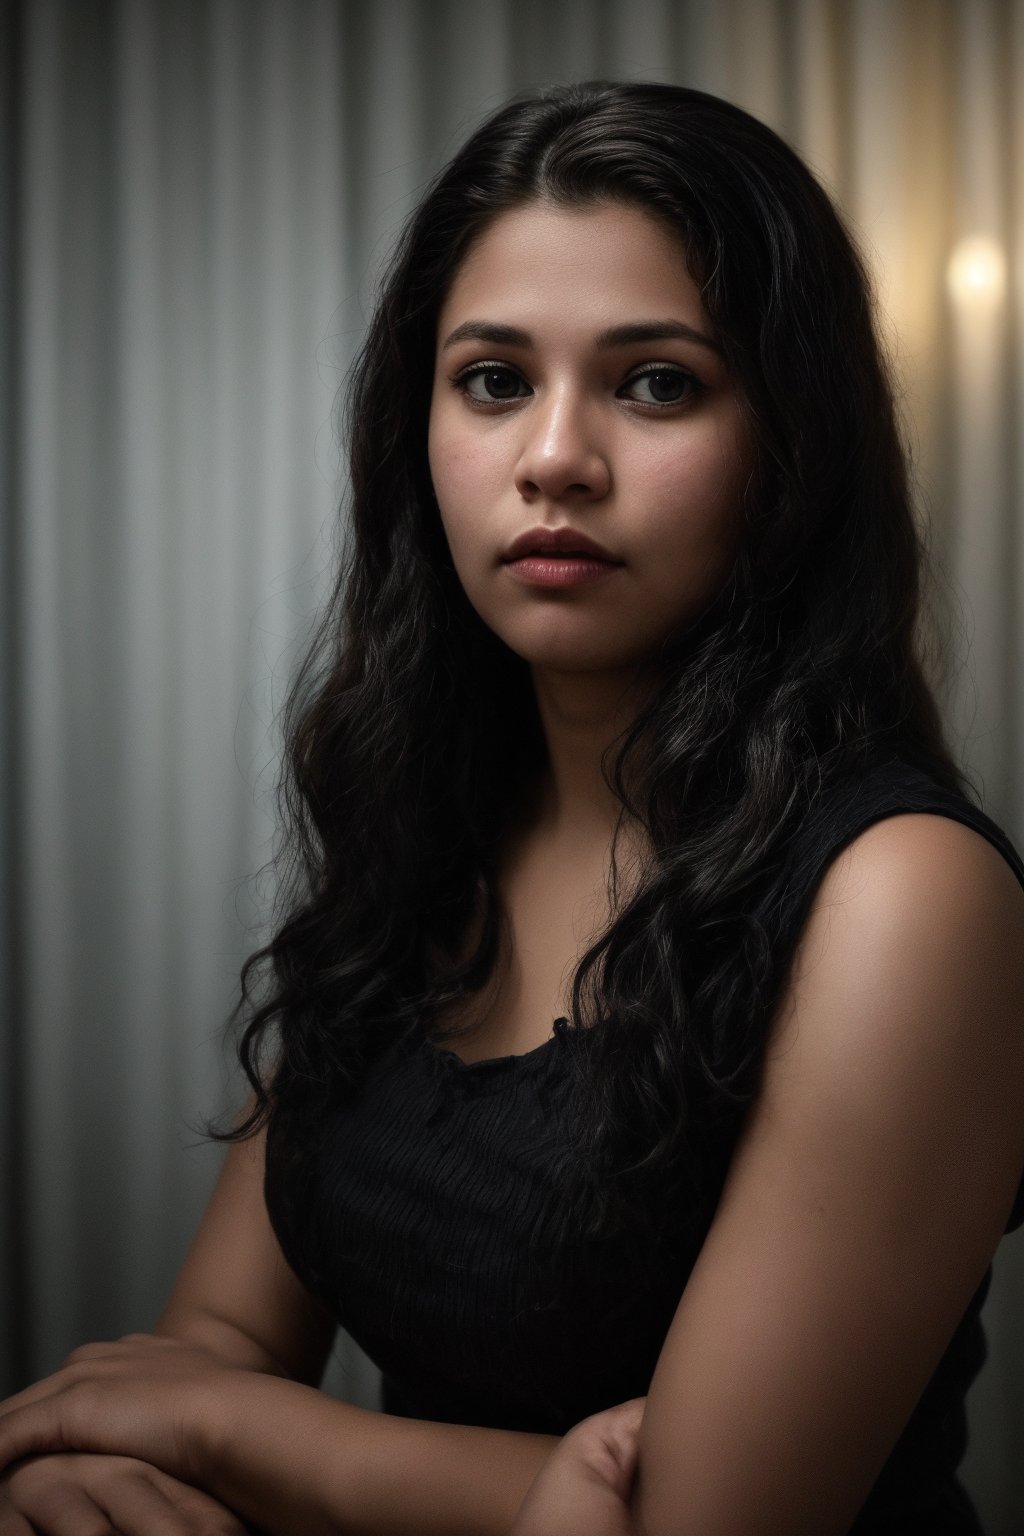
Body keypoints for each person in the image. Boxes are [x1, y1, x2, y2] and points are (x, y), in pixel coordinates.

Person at [1, 78, 1023, 1536]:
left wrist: (222, 1430)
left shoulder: (903, 894)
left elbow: (708, 1522)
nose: (555, 458)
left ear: (790, 446)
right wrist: (97, 1460)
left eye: (656, 381)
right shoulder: (420, 834)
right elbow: (209, 1349)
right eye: (493, 379)